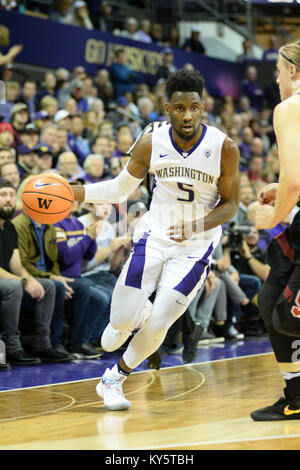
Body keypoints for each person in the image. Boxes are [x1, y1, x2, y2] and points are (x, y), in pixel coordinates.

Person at [71, 69, 240, 411]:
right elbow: (119, 188)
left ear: (203, 107)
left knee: (163, 319)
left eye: (194, 107)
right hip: (155, 234)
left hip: (196, 245)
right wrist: (74, 191)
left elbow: (232, 204)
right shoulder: (151, 141)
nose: (187, 115)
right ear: (167, 108)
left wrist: (197, 225)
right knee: (118, 322)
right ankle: (134, 315)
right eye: (180, 108)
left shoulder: (224, 147)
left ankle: (114, 378)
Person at [251, 39, 300, 421]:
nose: (277, 79)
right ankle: (295, 396)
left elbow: (296, 180)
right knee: (271, 303)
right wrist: (279, 186)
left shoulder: (289, 107)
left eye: (279, 71)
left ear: (293, 73)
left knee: (289, 313)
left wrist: (273, 216)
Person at [0, 179, 68, 367]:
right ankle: (12, 347)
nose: (8, 199)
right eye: (3, 195)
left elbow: (16, 264)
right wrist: (23, 281)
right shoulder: (16, 224)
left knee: (48, 285)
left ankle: (42, 344)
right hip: (5, 282)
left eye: (11, 195)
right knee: (14, 286)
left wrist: (30, 280)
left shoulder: (9, 227)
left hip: (7, 279)